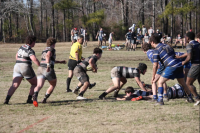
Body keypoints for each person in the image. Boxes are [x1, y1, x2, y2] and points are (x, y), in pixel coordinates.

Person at [150, 33, 194, 105]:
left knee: (160, 82)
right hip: (179, 64)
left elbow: (155, 65)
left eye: (150, 43)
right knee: (183, 83)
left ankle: (160, 100)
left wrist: (153, 76)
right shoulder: (167, 46)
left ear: (152, 42)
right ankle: (190, 97)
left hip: (171, 65)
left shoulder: (156, 50)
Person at [4, 35, 40, 104]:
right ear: (32, 42)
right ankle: (29, 99)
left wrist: (19, 62)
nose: (35, 43)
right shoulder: (30, 50)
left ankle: (7, 99)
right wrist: (40, 66)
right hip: (25, 67)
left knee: (14, 85)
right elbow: (34, 59)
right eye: (34, 42)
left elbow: (16, 55)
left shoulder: (21, 47)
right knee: (35, 83)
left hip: (17, 66)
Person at [32, 37, 66, 107]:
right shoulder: (51, 49)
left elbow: (49, 58)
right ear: (53, 43)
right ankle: (44, 99)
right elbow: (48, 56)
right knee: (53, 84)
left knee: (39, 85)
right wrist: (48, 66)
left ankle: (35, 95)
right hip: (47, 69)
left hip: (40, 68)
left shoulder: (44, 50)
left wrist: (60, 62)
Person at [182, 32, 200, 106]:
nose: (184, 39)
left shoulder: (190, 45)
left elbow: (189, 57)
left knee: (188, 83)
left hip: (195, 65)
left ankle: (197, 98)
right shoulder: (198, 43)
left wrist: (183, 62)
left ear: (188, 38)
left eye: (185, 37)